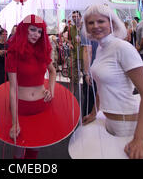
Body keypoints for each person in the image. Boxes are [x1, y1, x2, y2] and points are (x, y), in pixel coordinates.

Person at [82, 5, 143, 159]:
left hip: (128, 125)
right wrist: (94, 112)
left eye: (101, 21)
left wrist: (140, 139)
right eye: (91, 23)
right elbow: (102, 85)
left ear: (112, 23)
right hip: (108, 121)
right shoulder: (102, 49)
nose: (95, 26)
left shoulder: (123, 48)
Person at [6, 14, 56, 159]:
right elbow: (13, 89)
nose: (36, 34)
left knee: (35, 147)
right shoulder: (13, 54)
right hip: (21, 107)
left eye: (40, 31)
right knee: (19, 150)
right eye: (33, 30)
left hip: (42, 105)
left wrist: (51, 91)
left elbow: (52, 72)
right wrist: (15, 123)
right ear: (24, 29)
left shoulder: (42, 52)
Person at [67, 11, 91, 99]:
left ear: (80, 17)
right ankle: (72, 94)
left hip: (85, 56)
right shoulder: (71, 28)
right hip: (75, 55)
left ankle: (87, 95)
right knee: (73, 77)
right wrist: (70, 44)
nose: (74, 18)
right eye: (73, 16)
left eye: (76, 16)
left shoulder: (86, 28)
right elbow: (69, 39)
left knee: (86, 76)